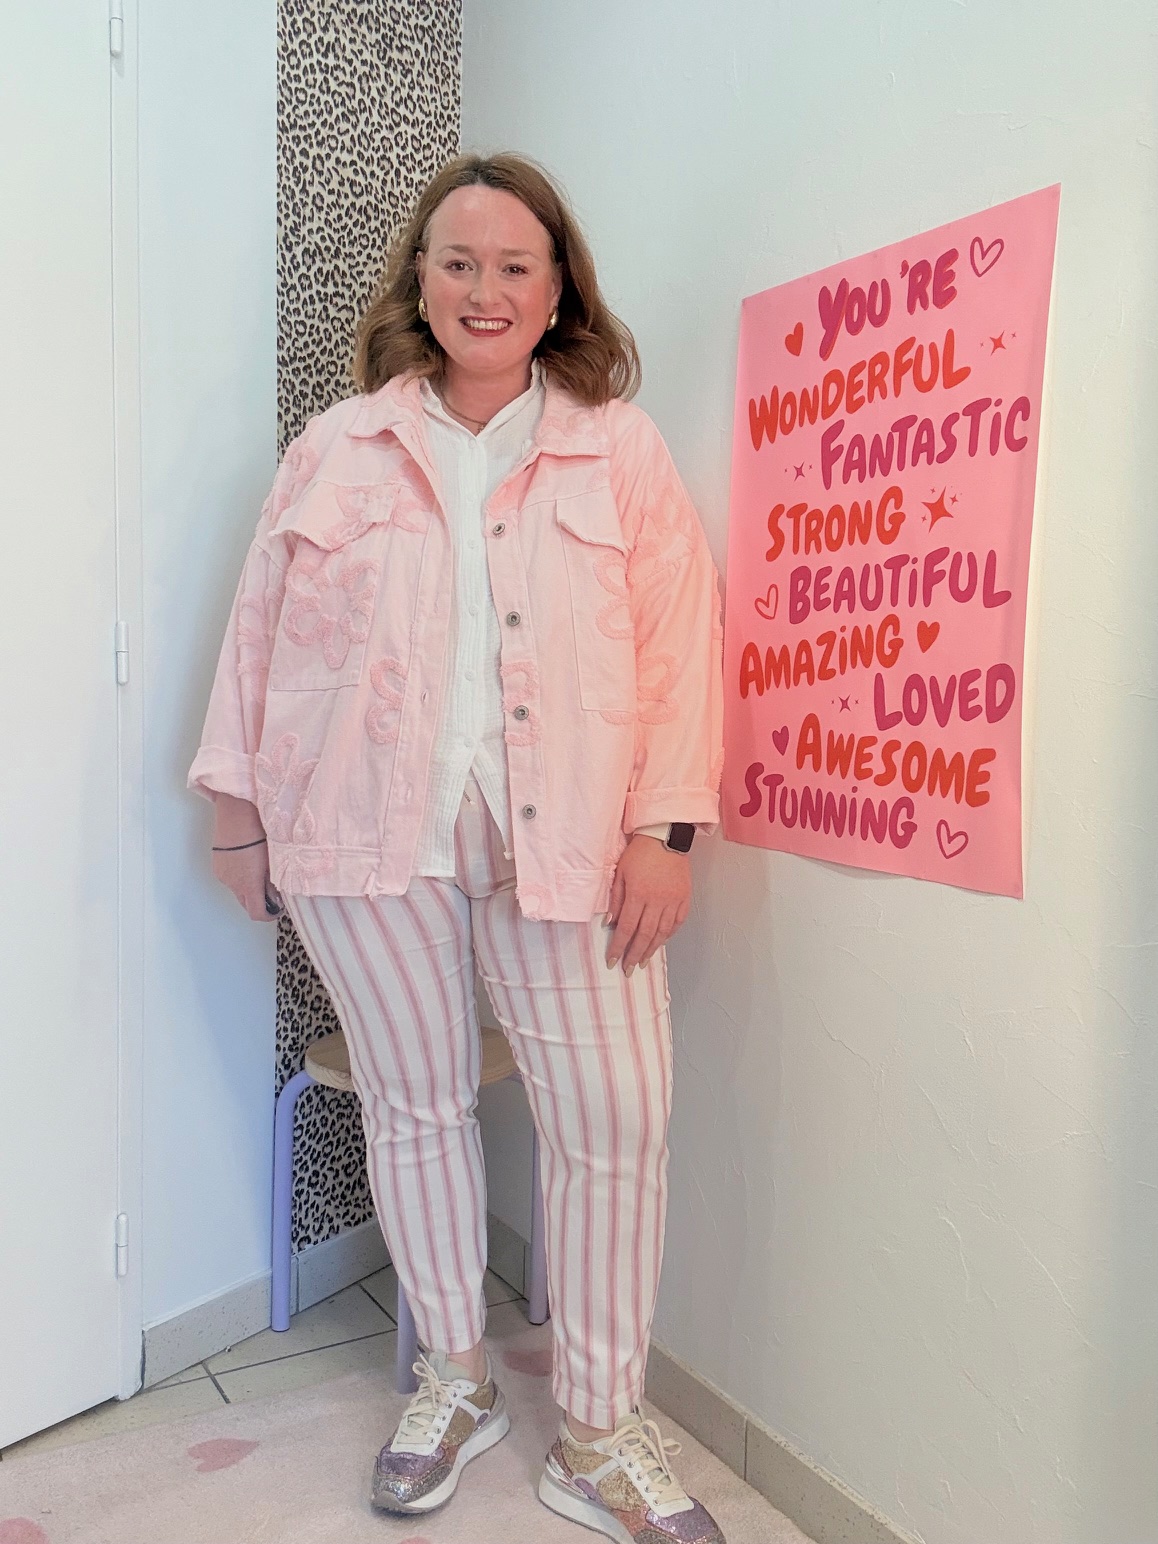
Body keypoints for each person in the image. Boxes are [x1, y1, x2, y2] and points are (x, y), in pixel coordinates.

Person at [188, 151, 725, 1543]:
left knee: (615, 1119)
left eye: (515, 266)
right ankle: (455, 1376)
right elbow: (259, 630)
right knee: (412, 1106)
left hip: (580, 838)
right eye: (459, 261)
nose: (486, 288)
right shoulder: (336, 447)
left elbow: (680, 643)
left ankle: (598, 1431)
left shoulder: (618, 448)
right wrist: (238, 813)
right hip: (362, 833)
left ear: (557, 294)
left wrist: (665, 828)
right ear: (419, 284)